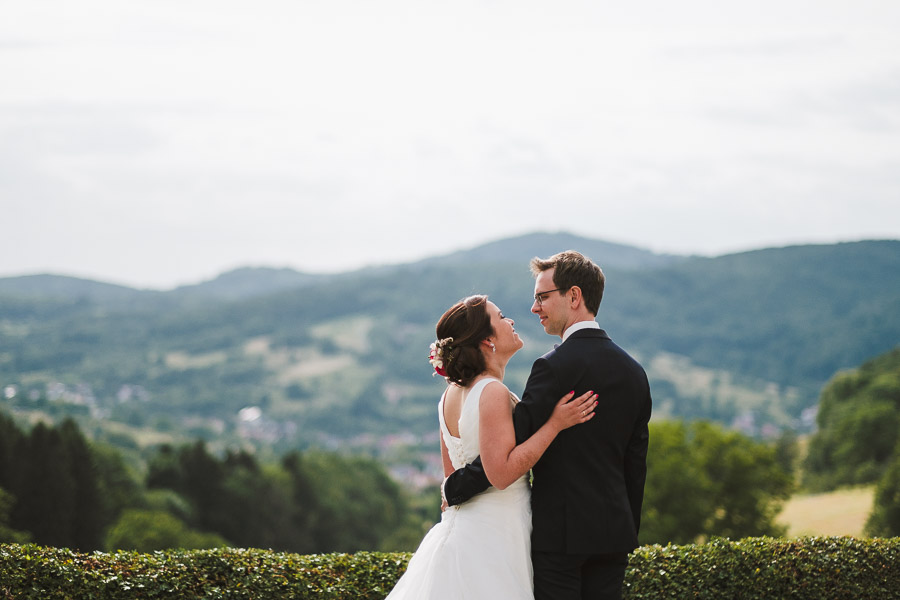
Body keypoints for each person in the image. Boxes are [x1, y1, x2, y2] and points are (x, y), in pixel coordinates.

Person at [443, 251, 652, 600]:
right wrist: (627, 528)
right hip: (614, 535)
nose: (534, 308)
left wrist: (455, 488)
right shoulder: (635, 373)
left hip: (560, 538)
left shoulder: (552, 368)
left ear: (574, 296)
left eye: (542, 297)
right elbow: (636, 462)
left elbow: (512, 445)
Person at [385, 294, 598, 599]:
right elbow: (500, 473)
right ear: (487, 340)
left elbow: (450, 482)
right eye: (501, 317)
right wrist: (555, 424)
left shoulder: (448, 397)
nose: (510, 321)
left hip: (459, 532)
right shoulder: (492, 391)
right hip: (496, 535)